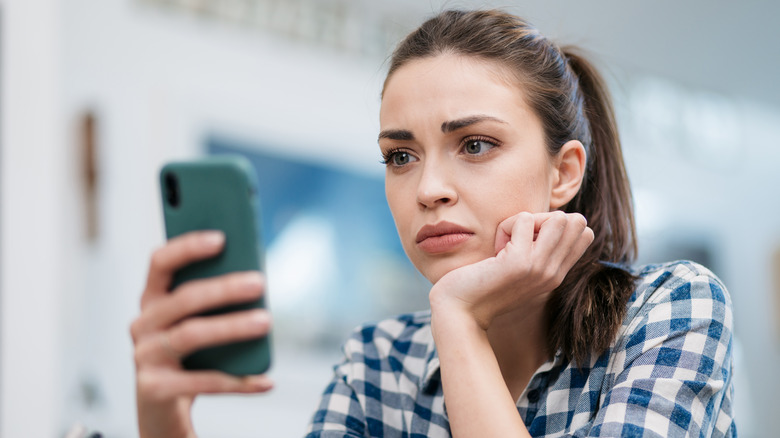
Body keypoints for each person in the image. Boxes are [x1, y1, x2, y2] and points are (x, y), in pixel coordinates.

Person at [131, 9, 735, 438]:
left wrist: (459, 320)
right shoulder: (377, 363)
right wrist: (166, 422)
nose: (427, 190)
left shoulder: (672, 311)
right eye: (400, 156)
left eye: (474, 145)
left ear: (564, 173)